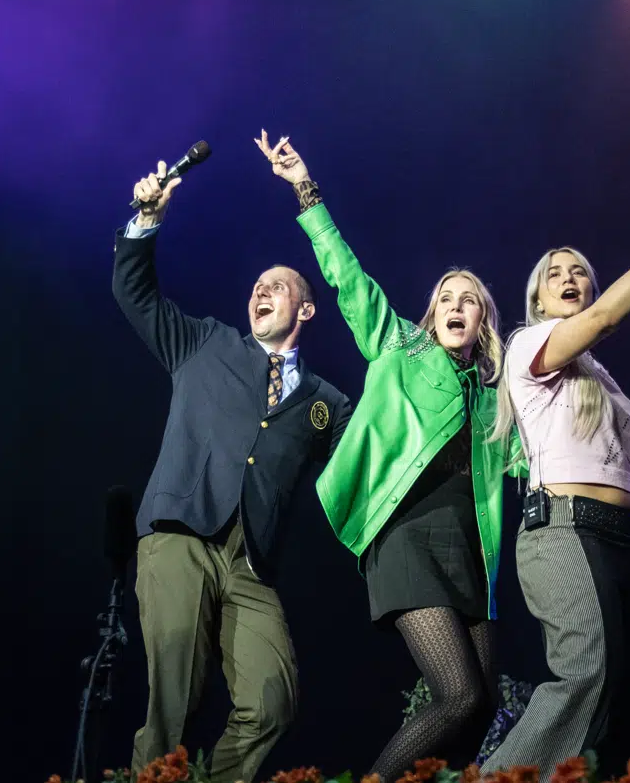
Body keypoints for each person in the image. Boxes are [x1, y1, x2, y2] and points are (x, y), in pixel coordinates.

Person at [256, 132, 524, 781]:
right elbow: (344, 274)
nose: (458, 307)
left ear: (484, 322)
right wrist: (305, 189)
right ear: (433, 314)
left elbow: (531, 464)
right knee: (457, 693)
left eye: (472, 302)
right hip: (406, 537)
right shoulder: (399, 346)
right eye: (448, 299)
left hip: (474, 552)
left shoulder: (495, 395)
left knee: (482, 706)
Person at [114, 160, 352, 783]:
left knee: (273, 701)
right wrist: (147, 219)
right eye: (255, 288)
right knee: (173, 704)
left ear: (306, 310)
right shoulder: (205, 342)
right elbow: (134, 294)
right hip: (179, 537)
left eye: (276, 286)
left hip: (250, 563)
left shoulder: (328, 403)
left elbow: (364, 464)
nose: (260, 292)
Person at [481, 242, 630, 781]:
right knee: (587, 676)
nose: (567, 277)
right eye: (554, 273)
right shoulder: (529, 343)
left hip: (623, 536)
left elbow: (617, 474)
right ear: (537, 294)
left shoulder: (599, 374)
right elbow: (605, 318)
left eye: (579, 271)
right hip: (563, 529)